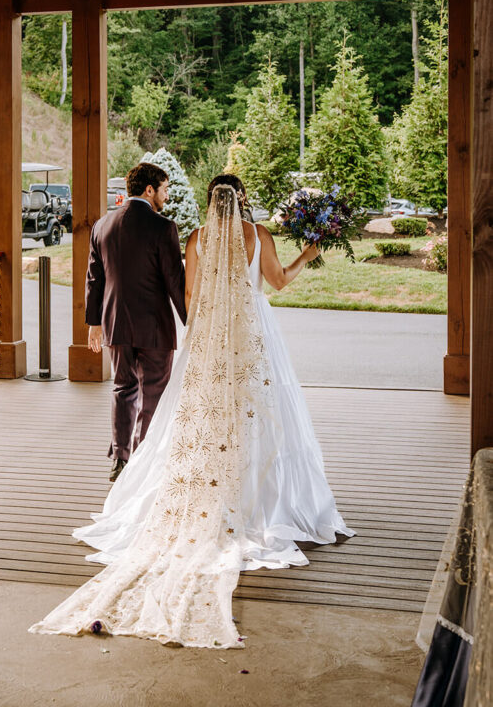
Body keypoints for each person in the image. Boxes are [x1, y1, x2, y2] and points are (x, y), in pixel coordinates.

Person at [30, 176, 354, 648]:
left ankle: (195, 478)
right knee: (260, 414)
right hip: (255, 335)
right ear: (242, 199)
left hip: (210, 339)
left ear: (209, 201)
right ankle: (257, 496)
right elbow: (279, 282)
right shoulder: (258, 234)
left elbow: (191, 300)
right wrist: (310, 251)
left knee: (201, 415)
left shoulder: (198, 239)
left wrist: (203, 327)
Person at [85, 162, 186, 483]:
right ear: (149, 190)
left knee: (122, 389)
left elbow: (94, 280)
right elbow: (175, 282)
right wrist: (193, 322)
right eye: (165, 189)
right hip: (154, 327)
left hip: (115, 324)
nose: (167, 196)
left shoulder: (102, 225)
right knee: (153, 392)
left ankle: (120, 457)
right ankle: (143, 458)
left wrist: (93, 323)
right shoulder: (163, 228)